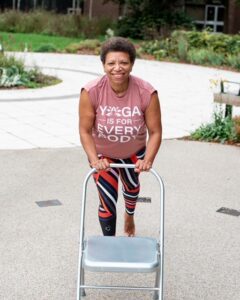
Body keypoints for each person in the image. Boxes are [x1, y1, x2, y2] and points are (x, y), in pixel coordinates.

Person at [79, 37, 162, 237]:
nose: (118, 68)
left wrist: (147, 160)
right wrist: (94, 160)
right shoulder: (91, 91)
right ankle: (109, 243)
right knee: (107, 200)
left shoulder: (146, 92)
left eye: (124, 62)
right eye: (111, 63)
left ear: (132, 64)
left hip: (134, 154)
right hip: (103, 155)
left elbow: (156, 132)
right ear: (103, 65)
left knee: (131, 190)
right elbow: (85, 130)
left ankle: (129, 215)